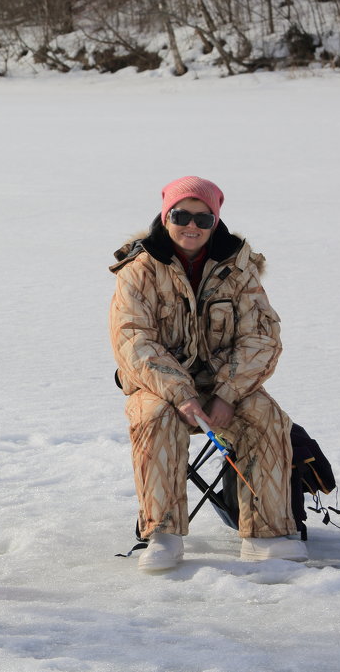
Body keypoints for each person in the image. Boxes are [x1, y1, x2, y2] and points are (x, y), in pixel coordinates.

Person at [109, 176, 305, 572]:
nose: (192, 226)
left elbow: (262, 336)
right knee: (154, 418)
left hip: (224, 384)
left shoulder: (239, 267)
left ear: (216, 220)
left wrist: (228, 394)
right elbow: (133, 340)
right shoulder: (139, 269)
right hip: (160, 385)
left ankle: (266, 534)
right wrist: (181, 393)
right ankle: (163, 536)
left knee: (267, 418)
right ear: (166, 217)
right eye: (181, 215)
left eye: (204, 218)